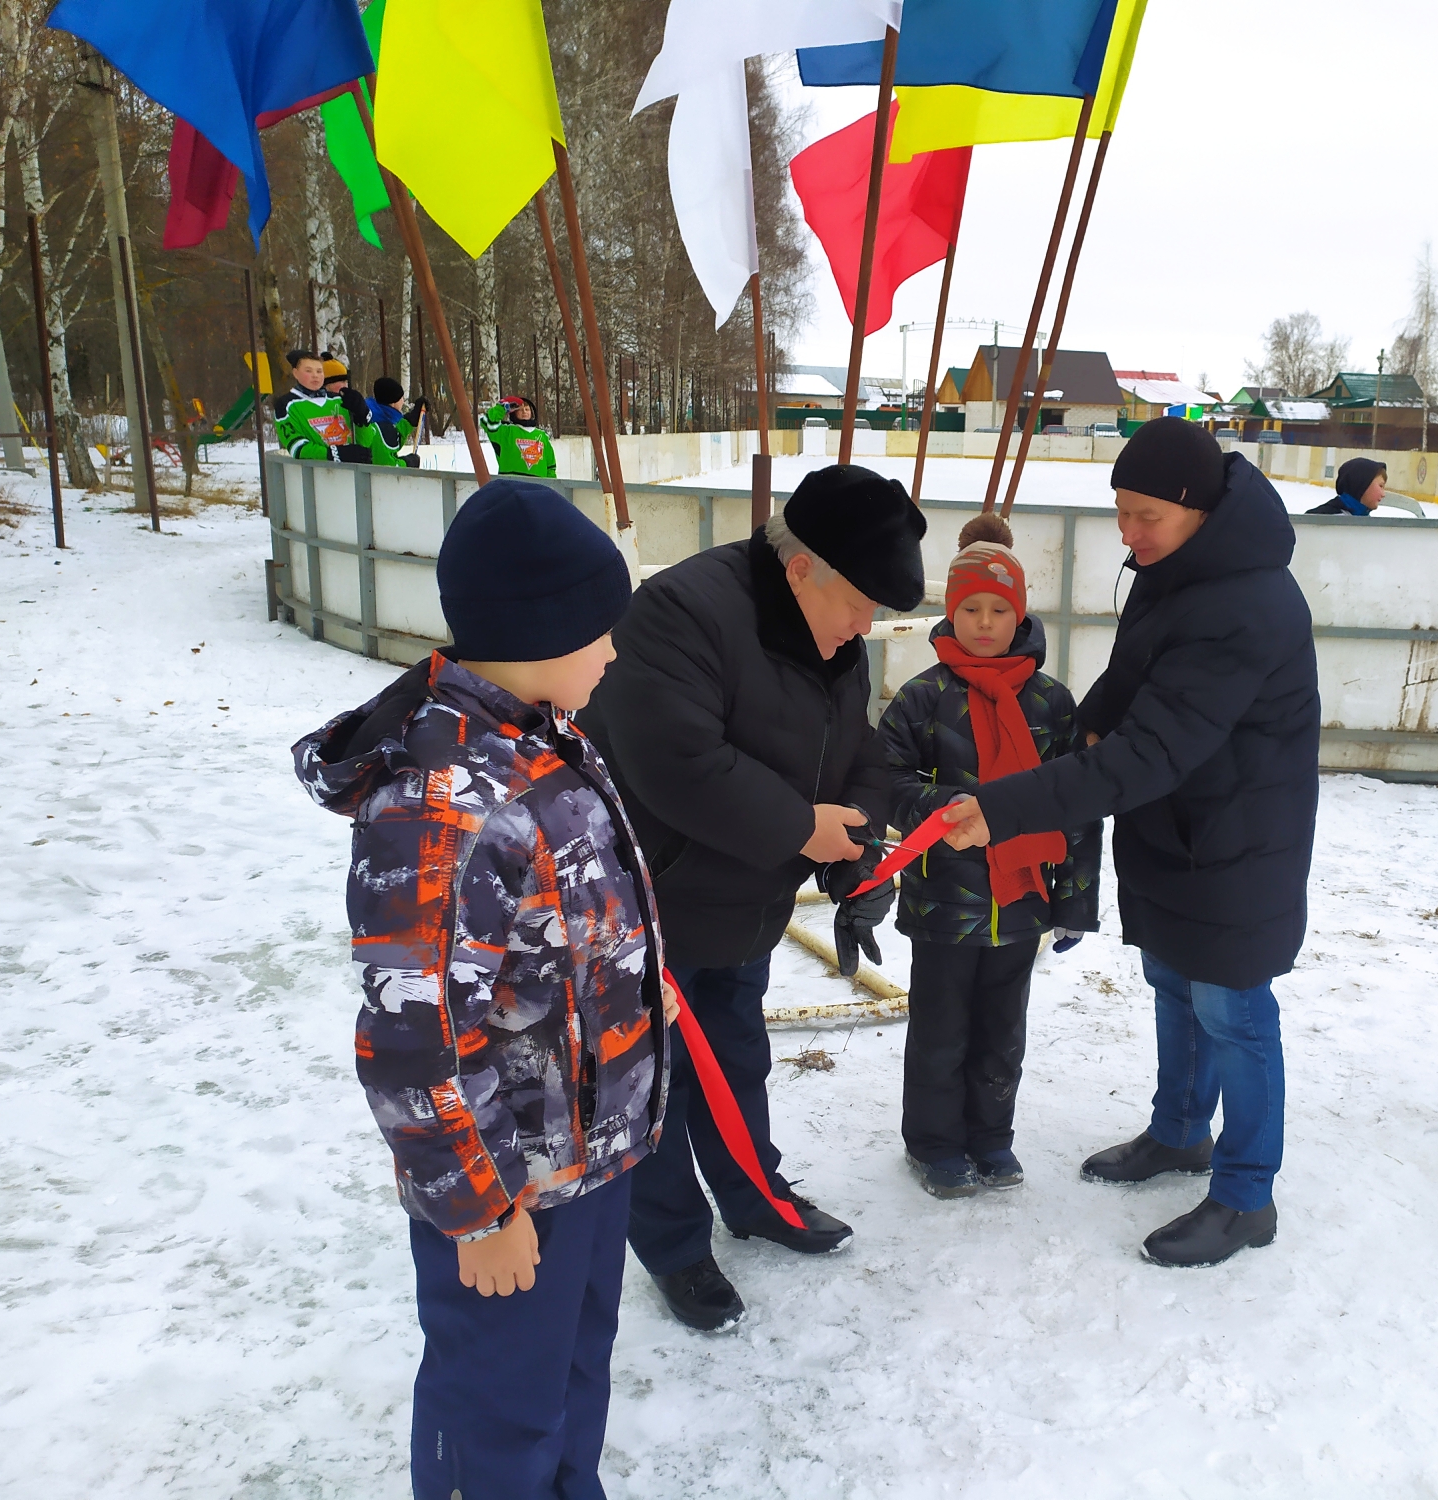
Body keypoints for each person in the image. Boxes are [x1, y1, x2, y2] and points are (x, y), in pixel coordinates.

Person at [291, 478, 666, 1499]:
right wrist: (476, 1211)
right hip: (508, 1188)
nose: (614, 651)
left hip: (585, 1159)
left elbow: (569, 928)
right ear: (541, 629)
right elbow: (413, 1043)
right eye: (602, 629)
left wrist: (634, 1003)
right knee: (497, 1405)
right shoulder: (447, 811)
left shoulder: (541, 736)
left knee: (572, 1372)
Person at [938, 416, 1318, 1269]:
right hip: (1177, 824)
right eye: (1121, 510)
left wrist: (1009, 805)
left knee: (1234, 1009)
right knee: (1175, 982)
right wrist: (1074, 737)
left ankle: (1246, 1193)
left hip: (1236, 838)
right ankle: (1180, 1133)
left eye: (1146, 514)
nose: (1128, 531)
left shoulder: (1246, 602)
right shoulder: (1173, 570)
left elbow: (1154, 747)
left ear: (1197, 510)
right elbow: (1131, 686)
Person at [574, 465, 925, 1330]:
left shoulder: (830, 634)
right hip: (656, 900)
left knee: (735, 1060)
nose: (866, 627)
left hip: (743, 900)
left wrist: (853, 848)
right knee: (655, 1082)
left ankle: (756, 1196)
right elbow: (677, 764)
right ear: (802, 566)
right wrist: (803, 828)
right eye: (860, 603)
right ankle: (674, 1244)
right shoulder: (681, 613)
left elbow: (860, 755)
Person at [877, 515, 1102, 1199]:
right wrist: (945, 809)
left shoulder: (1051, 703)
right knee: (941, 1032)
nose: (983, 622)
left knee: (1003, 1034)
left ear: (1019, 613)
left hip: (1024, 900)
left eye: (998, 609)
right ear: (950, 612)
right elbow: (886, 781)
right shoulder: (923, 698)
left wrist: (1076, 902)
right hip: (946, 899)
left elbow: (1079, 803)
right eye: (969, 608)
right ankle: (935, 1145)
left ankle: (991, 1139)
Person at [273, 348, 388, 465]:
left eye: (319, 371)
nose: (315, 376)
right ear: (295, 373)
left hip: (350, 475)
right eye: (308, 371)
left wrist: (362, 417)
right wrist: (333, 454)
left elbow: (365, 443)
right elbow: (297, 447)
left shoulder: (339, 400)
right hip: (317, 476)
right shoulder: (287, 405)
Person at [481, 392, 558, 478]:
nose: (524, 412)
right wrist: (502, 407)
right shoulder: (506, 431)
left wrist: (551, 485)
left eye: (527, 409)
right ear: (514, 413)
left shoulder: (542, 435)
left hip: (537, 487)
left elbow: (551, 467)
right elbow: (487, 422)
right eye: (520, 410)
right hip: (511, 486)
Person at [1307, 456, 1386, 515]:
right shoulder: (1319, 519)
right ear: (1362, 484)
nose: (1383, 494)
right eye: (1381, 486)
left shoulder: (1366, 522)